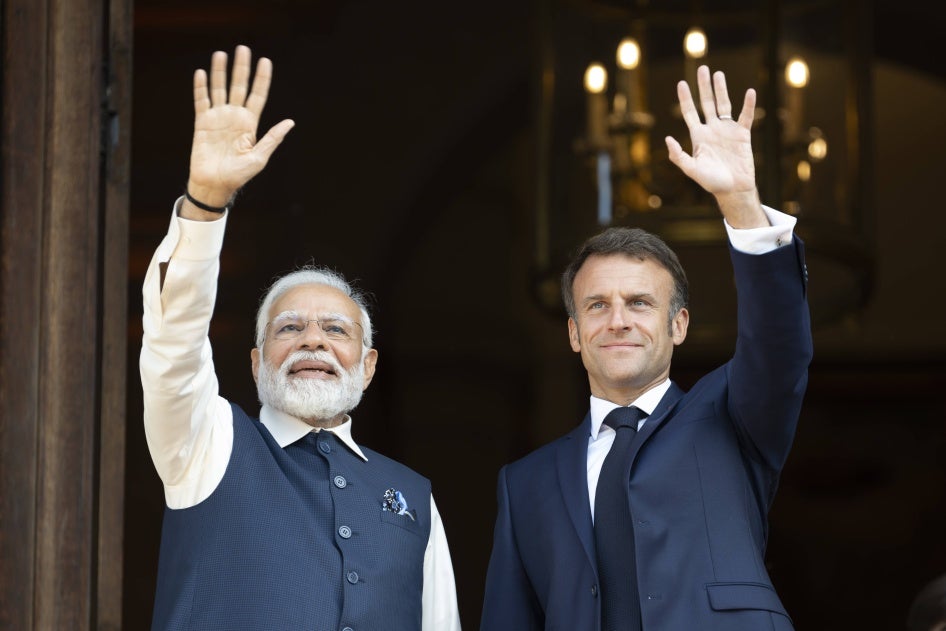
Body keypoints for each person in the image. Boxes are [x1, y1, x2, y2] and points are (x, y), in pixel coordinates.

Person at [140, 45, 461, 631]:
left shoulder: (414, 496)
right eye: (289, 328)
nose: (313, 340)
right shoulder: (206, 442)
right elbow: (173, 343)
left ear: (368, 365)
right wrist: (206, 203)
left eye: (335, 329)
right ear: (257, 361)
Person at [480, 64, 812, 630]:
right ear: (573, 333)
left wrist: (741, 203)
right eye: (596, 306)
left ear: (678, 325)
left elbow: (779, 343)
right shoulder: (525, 482)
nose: (618, 321)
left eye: (638, 303)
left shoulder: (733, 417)